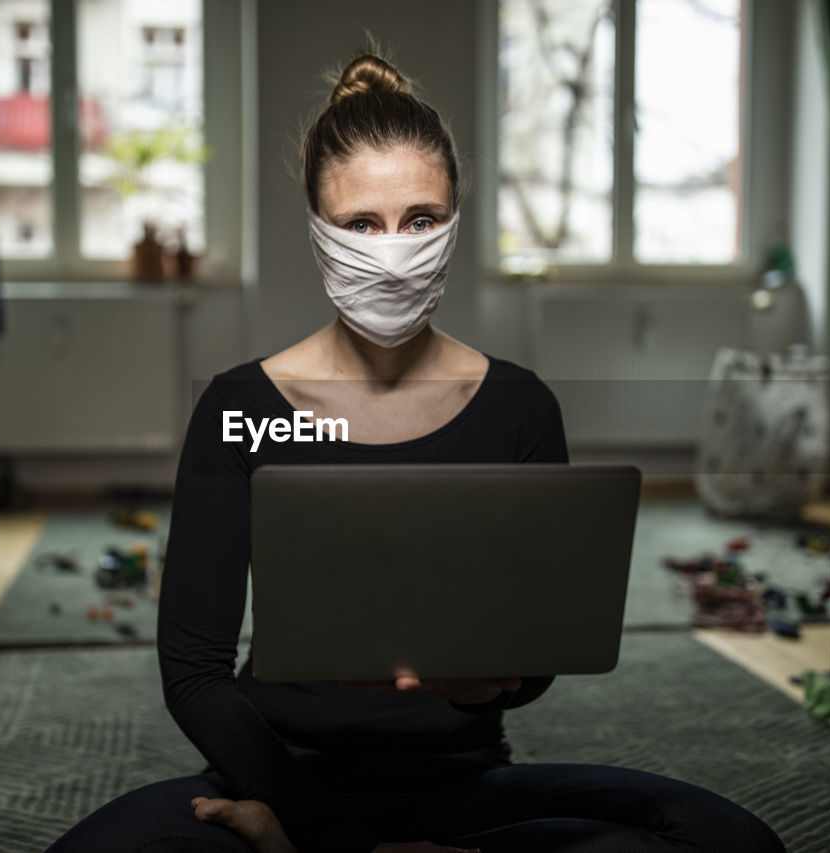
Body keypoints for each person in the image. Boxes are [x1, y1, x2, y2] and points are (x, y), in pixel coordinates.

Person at [48, 53, 786, 853]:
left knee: (727, 839)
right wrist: (310, 827)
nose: (393, 251)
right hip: (278, 777)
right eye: (362, 223)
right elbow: (194, 670)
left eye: (421, 219)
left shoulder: (519, 408)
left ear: (454, 222)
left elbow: (534, 661)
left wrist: (486, 685)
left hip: (462, 785)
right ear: (316, 226)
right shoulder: (242, 408)